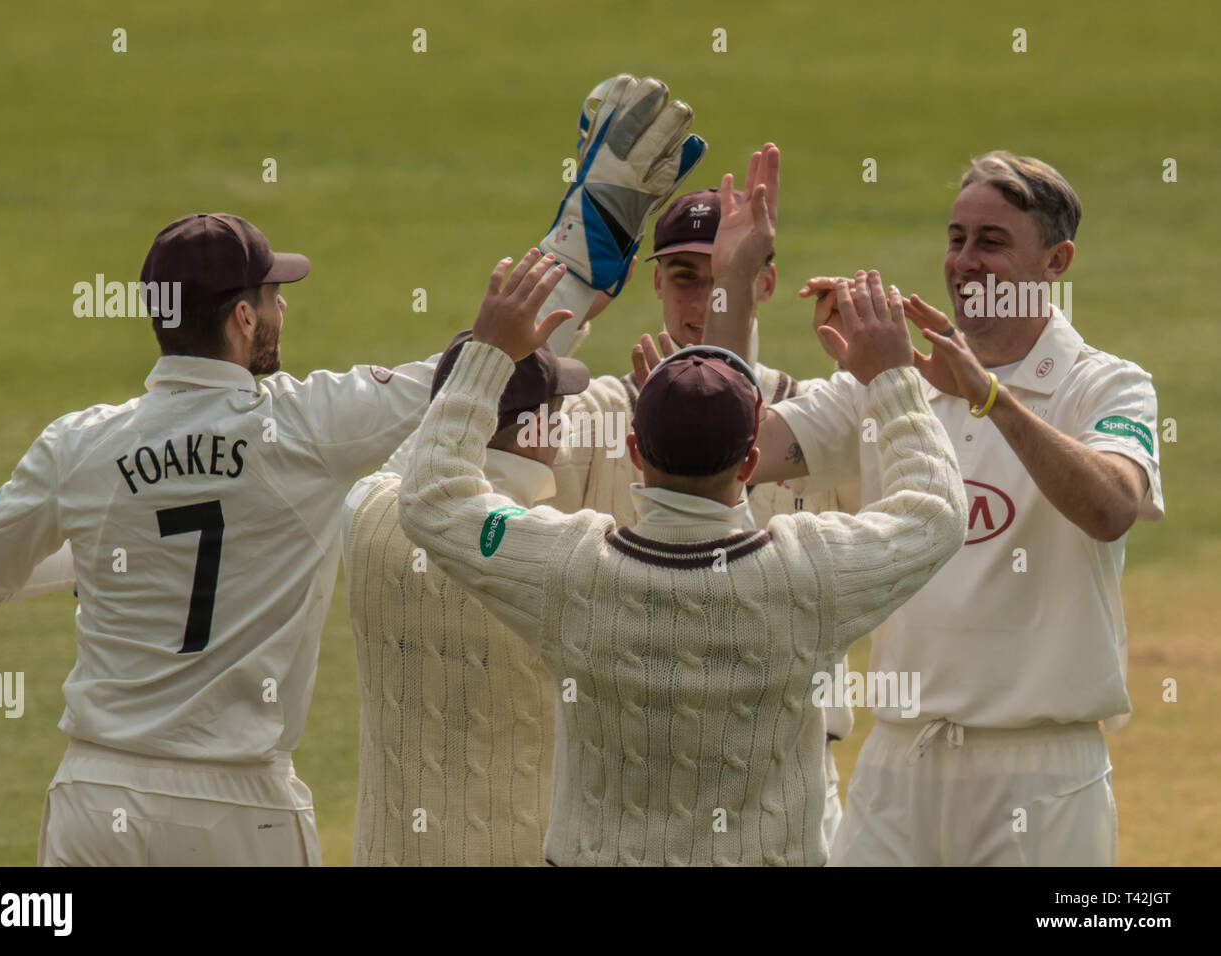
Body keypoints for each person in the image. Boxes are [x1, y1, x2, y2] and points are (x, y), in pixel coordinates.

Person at [395, 177, 969, 865]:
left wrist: (487, 353)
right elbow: (936, 512)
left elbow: (433, 496)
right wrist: (894, 380)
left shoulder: (570, 570)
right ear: (754, 458)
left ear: (635, 450)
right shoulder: (810, 572)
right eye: (685, 278)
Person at [0, 213, 443, 866]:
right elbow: (477, 376)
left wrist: (97, 555)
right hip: (243, 811)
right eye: (271, 296)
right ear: (243, 318)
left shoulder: (79, 444)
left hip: (98, 798)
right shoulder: (306, 428)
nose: (282, 305)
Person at [752, 151, 1165, 865]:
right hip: (894, 766)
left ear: (1056, 262)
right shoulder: (889, 386)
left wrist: (988, 397)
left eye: (992, 242)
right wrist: (738, 285)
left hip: (1040, 774)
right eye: (956, 238)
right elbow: (740, 452)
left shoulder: (1108, 387)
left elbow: (1113, 507)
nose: (965, 261)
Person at [546, 146, 861, 847]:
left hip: (792, 778)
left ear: (765, 281)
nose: (700, 300)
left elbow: (926, 512)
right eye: (684, 278)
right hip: (630, 782)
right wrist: (568, 303)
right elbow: (499, 457)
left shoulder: (813, 415)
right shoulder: (602, 410)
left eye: (721, 277)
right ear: (656, 287)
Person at [342, 332, 589, 866]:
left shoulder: (364, 510)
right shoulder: (559, 554)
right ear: (533, 428)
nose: (563, 421)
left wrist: (488, 352)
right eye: (556, 408)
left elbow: (418, 458)